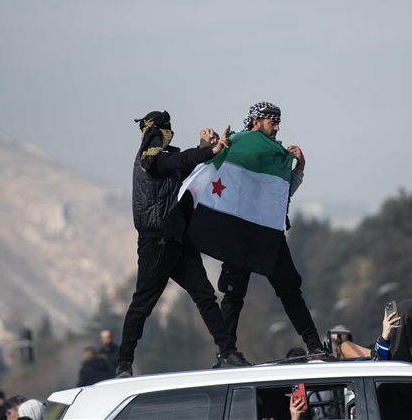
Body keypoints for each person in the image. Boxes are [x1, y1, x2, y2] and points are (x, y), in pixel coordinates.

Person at [116, 111, 250, 377]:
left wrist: (206, 148)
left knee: (205, 296)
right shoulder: (150, 161)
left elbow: (186, 165)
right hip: (156, 242)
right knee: (143, 303)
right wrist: (211, 148)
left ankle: (227, 351)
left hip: (175, 237)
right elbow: (182, 160)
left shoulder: (163, 160)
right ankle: (123, 363)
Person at [217, 102, 325, 358]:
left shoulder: (276, 154)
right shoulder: (235, 147)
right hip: (240, 232)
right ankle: (225, 354)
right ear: (256, 123)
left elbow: (281, 196)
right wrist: (211, 145)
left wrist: (299, 167)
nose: (277, 128)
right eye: (271, 122)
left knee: (290, 291)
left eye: (278, 123)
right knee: (233, 296)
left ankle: (315, 346)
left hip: (268, 233)